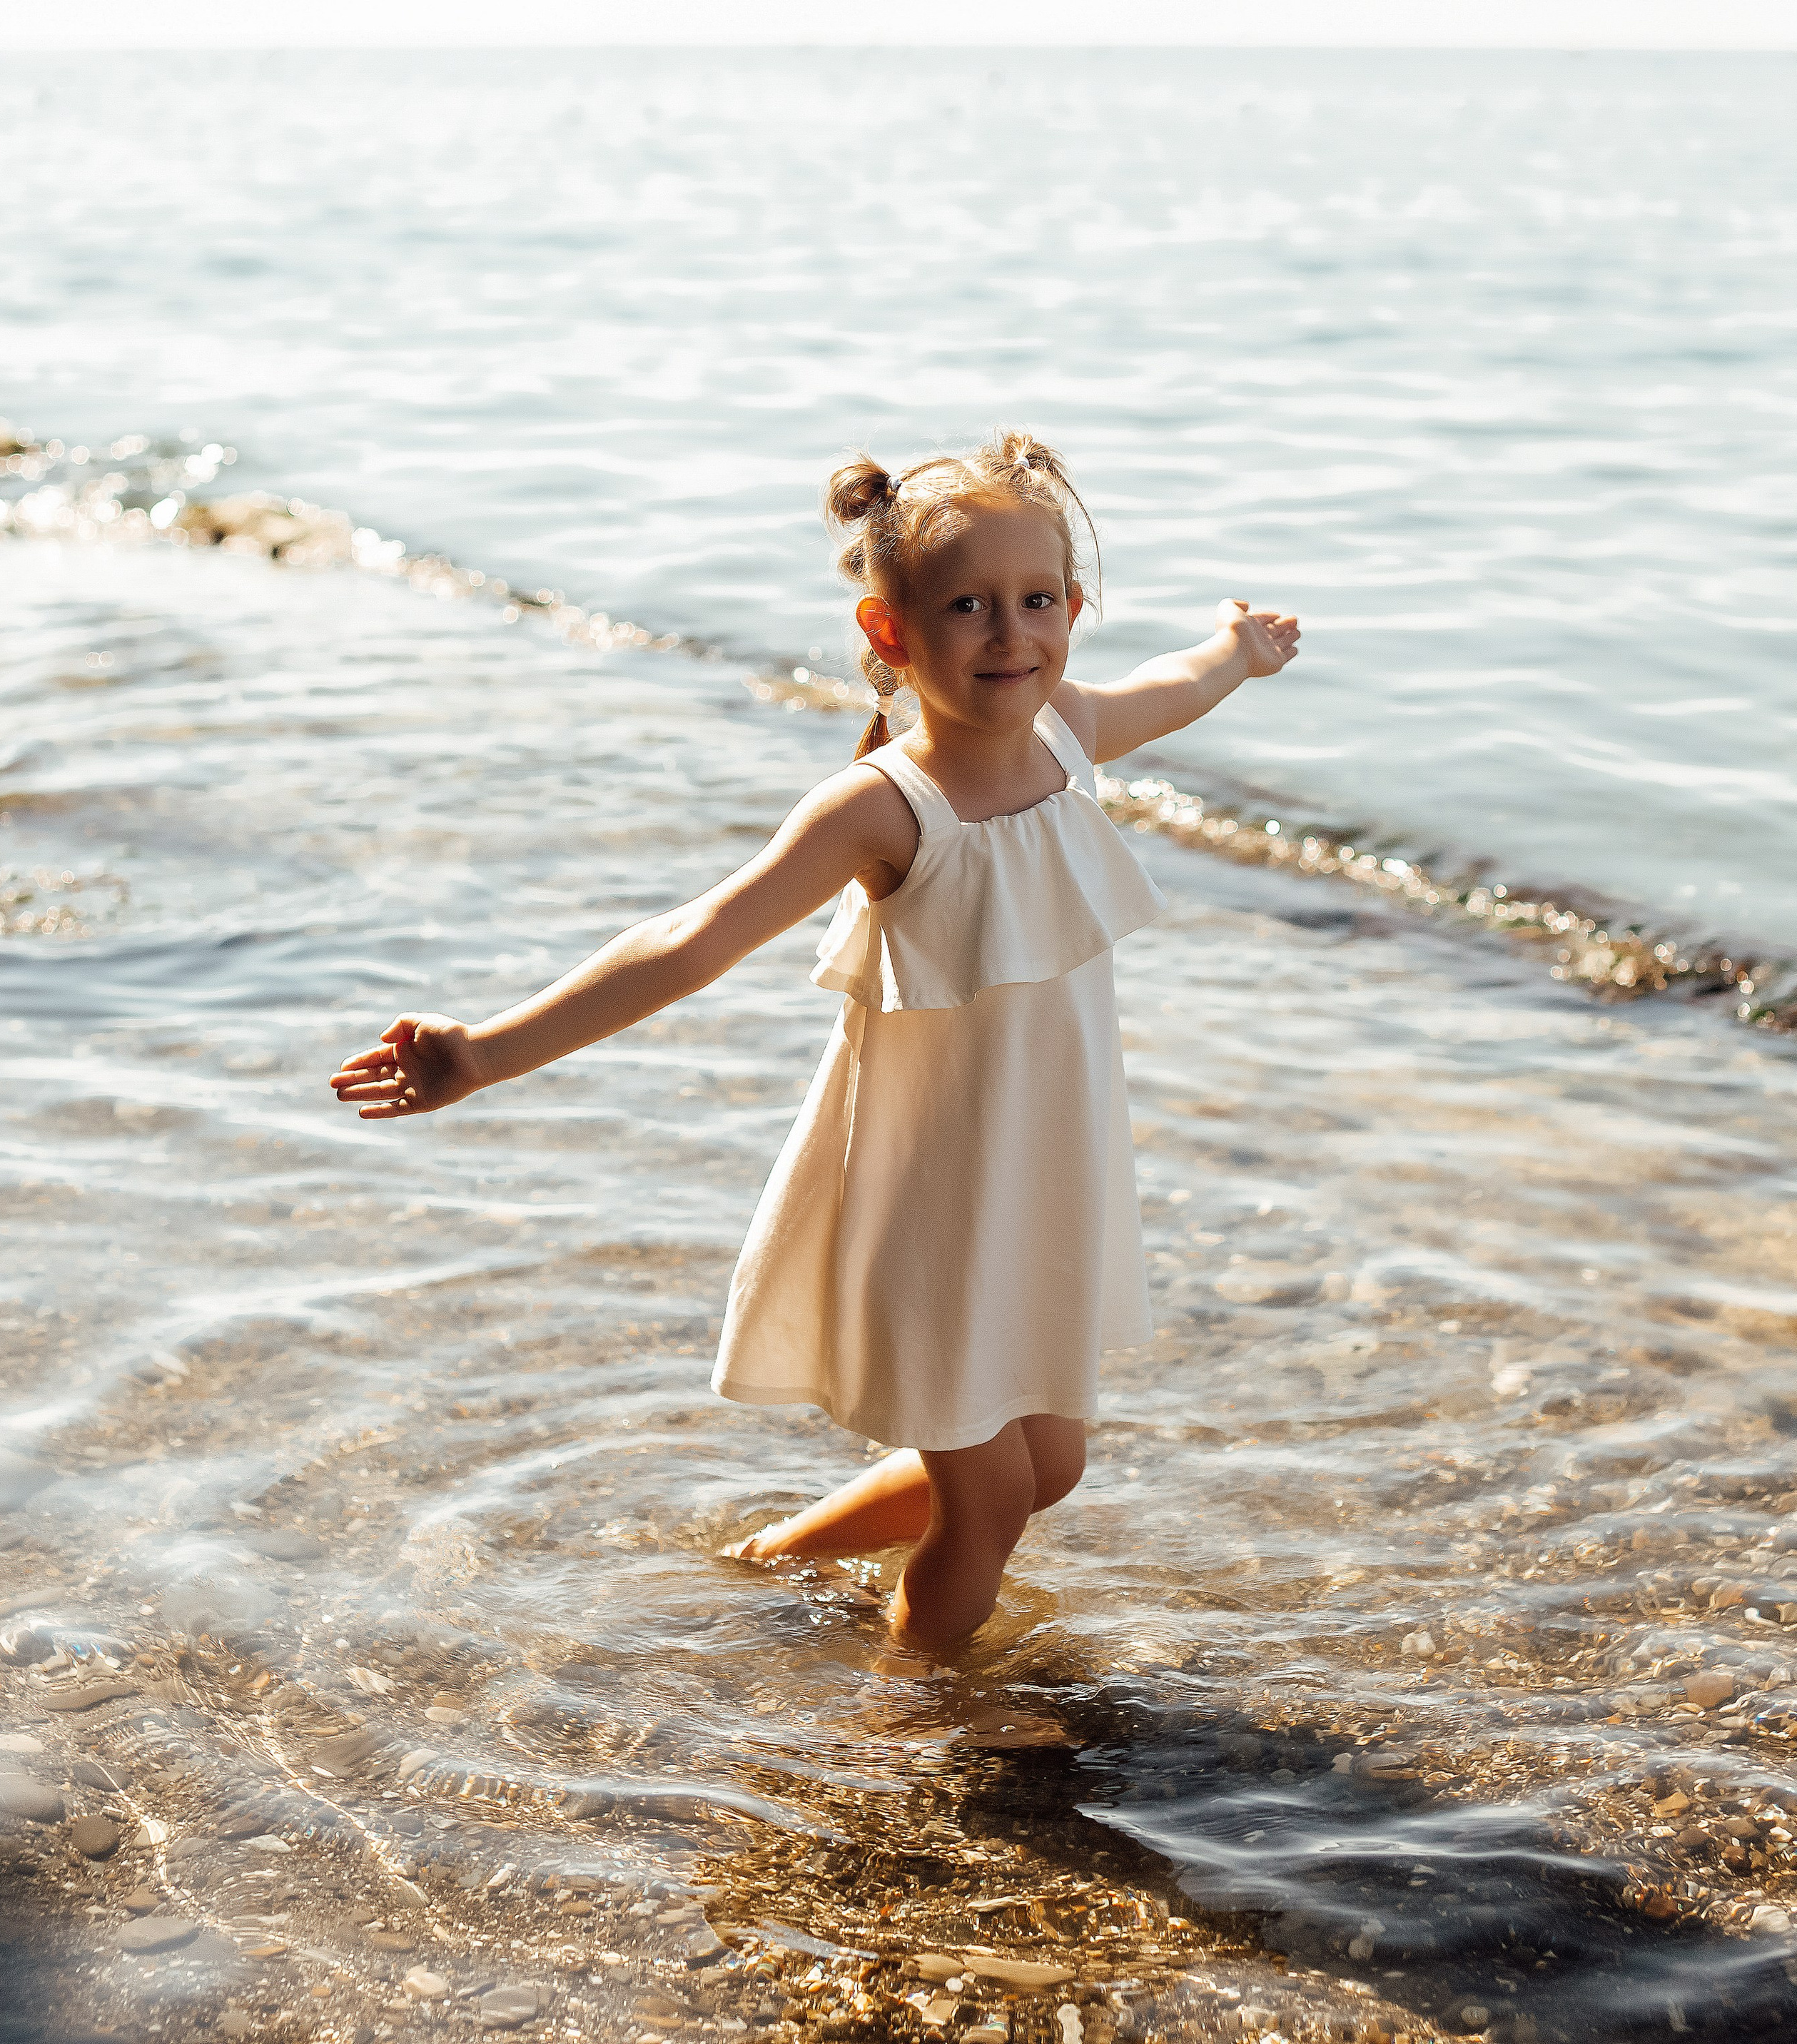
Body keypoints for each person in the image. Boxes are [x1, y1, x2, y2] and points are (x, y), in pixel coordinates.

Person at [330, 434, 1298, 1646]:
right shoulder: (885, 808)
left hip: (1041, 1175)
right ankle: (908, 1737)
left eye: (1038, 601)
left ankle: (771, 1554)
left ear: (1075, 609)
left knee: (1048, 1464)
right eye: (968, 608)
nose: (1011, 635)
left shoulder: (1068, 734)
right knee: (990, 1501)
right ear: (892, 635)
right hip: (935, 1199)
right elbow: (691, 939)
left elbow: (1182, 683)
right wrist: (485, 1053)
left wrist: (1240, 652)